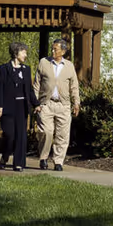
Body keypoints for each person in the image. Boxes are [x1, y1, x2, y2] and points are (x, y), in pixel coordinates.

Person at [33, 37, 80, 171]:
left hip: (63, 105)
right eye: (52, 49)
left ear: (63, 52)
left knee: (62, 135)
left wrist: (76, 103)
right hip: (46, 104)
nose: (53, 51)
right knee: (46, 132)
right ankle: (43, 158)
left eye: (56, 49)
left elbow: (74, 87)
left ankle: (58, 161)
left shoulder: (69, 66)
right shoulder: (44, 62)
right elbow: (37, 84)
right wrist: (36, 103)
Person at [0, 42, 39, 172]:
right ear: (16, 53)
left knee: (21, 136)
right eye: (23, 52)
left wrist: (36, 104)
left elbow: (29, 90)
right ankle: (5, 156)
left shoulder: (26, 70)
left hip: (22, 107)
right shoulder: (3, 69)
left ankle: (18, 164)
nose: (25, 54)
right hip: (8, 107)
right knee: (10, 135)